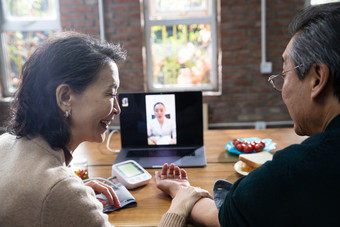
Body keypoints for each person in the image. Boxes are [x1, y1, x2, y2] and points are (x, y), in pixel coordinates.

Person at [155, 3, 340, 226]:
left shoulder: (299, 170)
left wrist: (181, 191)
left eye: (284, 74)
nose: (281, 88)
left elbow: (222, 216)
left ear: (317, 79)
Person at [0, 31, 126, 226]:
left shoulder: (5, 142)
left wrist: (76, 191)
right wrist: (179, 206)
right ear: (65, 97)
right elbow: (51, 194)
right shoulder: (60, 191)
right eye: (110, 93)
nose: (117, 109)